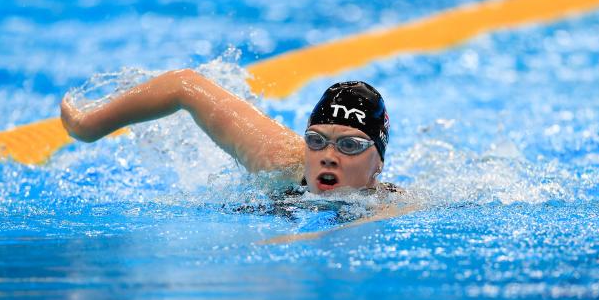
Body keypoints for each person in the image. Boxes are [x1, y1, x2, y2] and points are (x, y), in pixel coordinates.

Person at [59, 69, 393, 195]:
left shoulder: (391, 210)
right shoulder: (278, 161)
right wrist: (89, 128)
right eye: (316, 141)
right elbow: (184, 86)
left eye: (349, 145)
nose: (328, 157)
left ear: (378, 162)